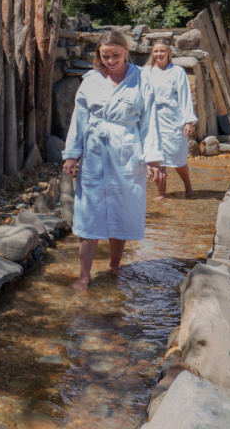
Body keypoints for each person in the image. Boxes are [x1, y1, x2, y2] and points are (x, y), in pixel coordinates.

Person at [62, 30, 163, 291]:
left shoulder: (142, 79)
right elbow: (79, 120)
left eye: (115, 55)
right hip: (96, 152)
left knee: (123, 208)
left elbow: (149, 121)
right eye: (105, 56)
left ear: (126, 49)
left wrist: (153, 159)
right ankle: (84, 276)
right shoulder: (90, 80)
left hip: (128, 151)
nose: (110, 61)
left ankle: (115, 265)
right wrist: (72, 154)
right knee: (89, 213)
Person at [141, 39, 197, 200]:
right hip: (152, 118)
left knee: (178, 157)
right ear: (152, 53)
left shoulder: (177, 71)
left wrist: (188, 121)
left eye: (162, 51)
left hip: (171, 118)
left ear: (168, 53)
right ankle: (161, 194)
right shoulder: (145, 71)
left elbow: (185, 96)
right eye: (156, 51)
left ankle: (188, 188)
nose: (159, 54)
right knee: (157, 157)